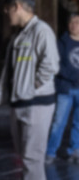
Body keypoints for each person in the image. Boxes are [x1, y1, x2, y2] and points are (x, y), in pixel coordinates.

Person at [0, 0, 59, 180]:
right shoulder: (18, 35)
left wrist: (30, 88)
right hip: (20, 103)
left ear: (18, 7)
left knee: (32, 159)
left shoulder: (41, 31)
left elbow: (50, 65)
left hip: (35, 104)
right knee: (25, 158)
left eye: (8, 9)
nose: (6, 13)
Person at [46, 12, 79, 163]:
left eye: (77, 22)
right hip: (65, 88)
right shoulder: (61, 42)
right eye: (72, 22)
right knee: (58, 122)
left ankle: (75, 150)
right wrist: (72, 77)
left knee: (78, 122)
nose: (74, 25)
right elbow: (56, 65)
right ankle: (51, 152)